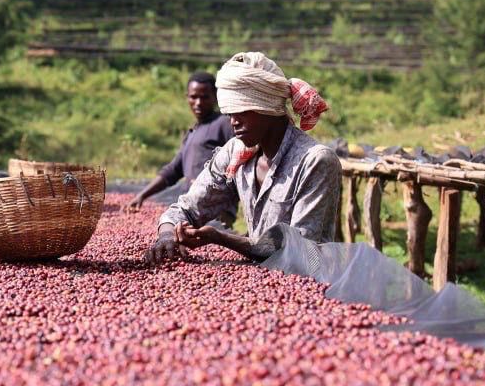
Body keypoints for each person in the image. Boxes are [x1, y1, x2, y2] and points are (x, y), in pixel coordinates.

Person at [145, 52, 340, 265]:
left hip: (307, 280)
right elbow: (186, 208)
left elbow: (300, 250)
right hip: (263, 276)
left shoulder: (314, 161)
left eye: (241, 112)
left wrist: (222, 238)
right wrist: (167, 234)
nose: (233, 122)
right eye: (230, 114)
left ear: (267, 107)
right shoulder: (236, 153)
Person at [125, 71, 234, 214]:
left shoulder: (224, 124)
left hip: (214, 211)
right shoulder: (193, 132)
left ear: (215, 97)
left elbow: (238, 163)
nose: (198, 103)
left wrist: (214, 186)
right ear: (187, 97)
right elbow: (173, 170)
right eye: (193, 97)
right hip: (192, 208)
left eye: (204, 97)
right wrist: (142, 195)